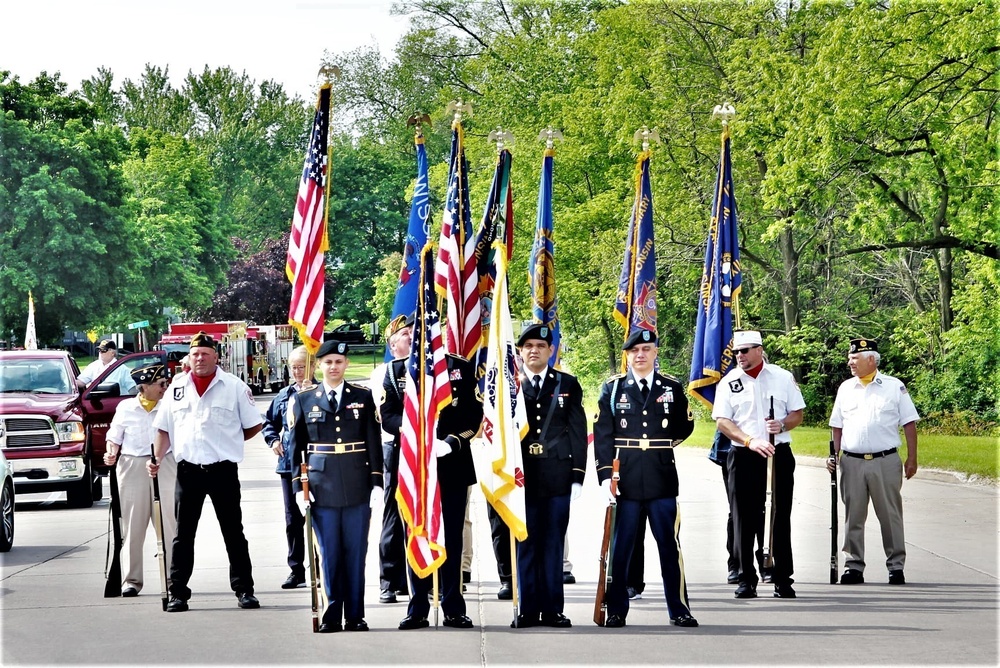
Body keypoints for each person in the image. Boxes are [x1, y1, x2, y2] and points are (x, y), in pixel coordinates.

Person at [148, 331, 263, 613]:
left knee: (233, 532)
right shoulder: (176, 388)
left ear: (216, 357)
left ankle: (244, 590)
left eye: (205, 354)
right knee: (182, 535)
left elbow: (252, 425)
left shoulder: (234, 386)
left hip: (222, 470)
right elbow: (163, 428)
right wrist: (158, 458)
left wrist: (229, 441)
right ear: (189, 357)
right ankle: (178, 593)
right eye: (195, 354)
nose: (199, 359)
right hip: (188, 471)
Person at [594, 329, 698, 628]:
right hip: (624, 477)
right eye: (634, 350)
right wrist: (604, 478)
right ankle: (615, 609)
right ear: (627, 355)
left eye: (646, 349)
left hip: (661, 477)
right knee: (621, 547)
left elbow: (684, 427)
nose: (640, 355)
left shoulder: (671, 387)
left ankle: (679, 609)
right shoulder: (613, 389)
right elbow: (603, 436)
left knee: (670, 546)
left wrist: (659, 449)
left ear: (655, 353)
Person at [382, 349, 483, 630]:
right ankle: (418, 607)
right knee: (415, 535)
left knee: (451, 538)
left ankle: (453, 607)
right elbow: (387, 412)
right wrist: (409, 430)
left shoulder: (459, 367)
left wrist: (451, 441)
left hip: (451, 464)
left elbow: (474, 413)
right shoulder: (397, 370)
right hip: (414, 466)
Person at [290, 340, 383, 632]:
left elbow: (373, 442)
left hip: (357, 484)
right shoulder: (305, 399)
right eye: (328, 362)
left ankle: (355, 614)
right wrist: (297, 487)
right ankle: (332, 613)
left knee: (355, 552)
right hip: (321, 486)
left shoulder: (363, 396)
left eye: (339, 362)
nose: (333, 367)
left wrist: (377, 483)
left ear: (346, 364)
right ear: (319, 365)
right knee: (328, 552)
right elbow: (296, 448)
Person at [713, 329, 804, 600]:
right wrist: (750, 440)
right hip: (743, 455)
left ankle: (782, 578)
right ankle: (745, 578)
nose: (739, 356)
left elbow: (797, 413)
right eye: (736, 352)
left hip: (778, 454)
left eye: (745, 351)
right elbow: (723, 422)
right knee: (743, 517)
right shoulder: (729, 382)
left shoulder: (782, 377)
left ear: (759, 350)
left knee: (779, 515)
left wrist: (783, 424)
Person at [510, 324, 587, 629]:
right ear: (519, 351)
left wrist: (578, 476)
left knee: (553, 543)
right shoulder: (509, 386)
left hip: (557, 475)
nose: (534, 351)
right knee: (526, 544)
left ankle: (554, 609)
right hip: (521, 479)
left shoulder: (567, 383)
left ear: (550, 350)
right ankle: (528, 609)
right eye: (528, 346)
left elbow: (578, 432)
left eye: (540, 346)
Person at [827, 338, 919, 585]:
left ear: (871, 359)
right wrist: (833, 455)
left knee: (890, 515)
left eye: (854, 358)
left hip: (885, 460)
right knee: (853, 516)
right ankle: (853, 566)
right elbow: (837, 426)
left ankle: (896, 566)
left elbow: (909, 423)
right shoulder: (845, 388)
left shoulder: (893, 386)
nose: (850, 362)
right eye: (850, 358)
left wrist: (912, 458)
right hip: (852, 462)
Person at [104, 363, 176, 597]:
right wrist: (111, 452)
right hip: (133, 464)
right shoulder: (126, 407)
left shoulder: (169, 406)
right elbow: (114, 436)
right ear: (143, 387)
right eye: (160, 384)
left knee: (168, 523)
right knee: (133, 525)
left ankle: (173, 577)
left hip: (164, 463)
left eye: (166, 383)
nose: (165, 388)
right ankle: (131, 580)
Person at [261, 345, 313, 590]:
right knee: (293, 519)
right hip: (288, 465)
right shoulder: (284, 395)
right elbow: (268, 422)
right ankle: (296, 569)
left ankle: (321, 567)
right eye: (293, 368)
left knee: (317, 517)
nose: (297, 372)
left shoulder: (320, 392)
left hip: (316, 464)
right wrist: (273, 440)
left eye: (301, 367)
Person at [370, 315, 413, 604]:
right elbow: (385, 415)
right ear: (392, 342)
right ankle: (390, 580)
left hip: (430, 449)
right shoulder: (383, 372)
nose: (412, 336)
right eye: (405, 333)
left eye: (414, 332)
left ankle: (416, 578)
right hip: (395, 447)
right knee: (394, 516)